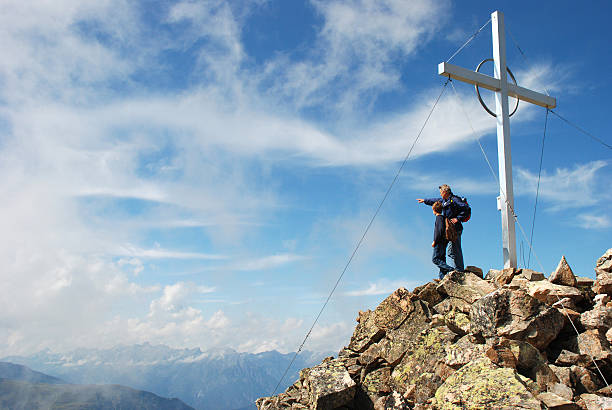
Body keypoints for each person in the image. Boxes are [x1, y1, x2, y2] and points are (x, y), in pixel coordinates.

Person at [417, 184, 468, 273]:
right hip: (450, 229)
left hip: (455, 229)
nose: (440, 194)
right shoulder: (445, 200)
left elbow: (466, 208)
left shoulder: (454, 200)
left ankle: (458, 271)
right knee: (450, 251)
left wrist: (458, 218)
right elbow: (435, 200)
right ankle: (452, 271)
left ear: (445, 192)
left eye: (441, 192)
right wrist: (425, 201)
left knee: (454, 250)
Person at [431, 201, 454, 279]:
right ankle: (442, 277)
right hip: (444, 241)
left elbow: (439, 230)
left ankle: (451, 269)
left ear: (434, 209)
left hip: (439, 241)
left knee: (435, 259)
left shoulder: (439, 218)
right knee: (442, 259)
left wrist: (435, 241)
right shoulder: (444, 218)